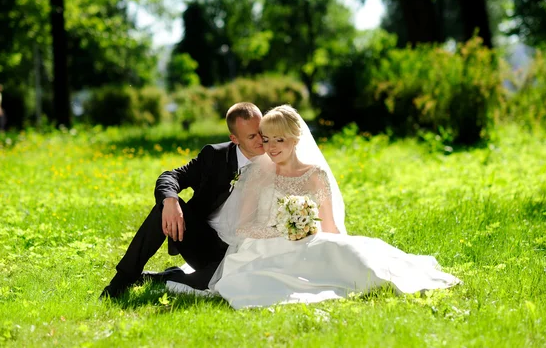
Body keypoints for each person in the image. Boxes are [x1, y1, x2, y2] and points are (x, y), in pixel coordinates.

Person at [165, 105, 461, 309]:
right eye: (266, 139)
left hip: (310, 240)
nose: (270, 147)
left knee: (342, 250)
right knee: (254, 277)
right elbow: (244, 227)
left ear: (295, 139)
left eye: (278, 139)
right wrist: (280, 230)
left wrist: (309, 231)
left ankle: (383, 276)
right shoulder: (257, 174)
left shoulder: (315, 174)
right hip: (267, 244)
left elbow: (330, 226)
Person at [101, 102, 264, 299]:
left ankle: (167, 276)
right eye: (252, 136)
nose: (262, 140)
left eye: (261, 131)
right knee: (164, 207)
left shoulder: (276, 159)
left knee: (206, 286)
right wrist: (170, 200)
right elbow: (171, 176)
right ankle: (123, 279)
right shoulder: (214, 156)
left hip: (241, 250)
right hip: (203, 241)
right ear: (234, 138)